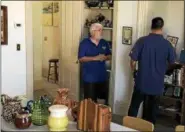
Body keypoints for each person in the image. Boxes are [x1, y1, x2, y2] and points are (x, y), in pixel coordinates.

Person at [128, 17, 175, 124]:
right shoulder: (167, 44)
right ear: (162, 27)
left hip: (141, 82)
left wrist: (133, 72)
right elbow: (172, 62)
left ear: (151, 26)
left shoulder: (142, 41)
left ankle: (128, 127)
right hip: (157, 84)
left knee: (134, 109)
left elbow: (133, 61)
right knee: (152, 113)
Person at [78, 23, 111, 105]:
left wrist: (105, 57)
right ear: (93, 32)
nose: (102, 32)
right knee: (90, 103)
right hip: (89, 78)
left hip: (102, 77)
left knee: (102, 102)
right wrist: (95, 58)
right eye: (99, 30)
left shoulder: (104, 42)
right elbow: (81, 59)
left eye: (102, 30)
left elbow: (109, 55)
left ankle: (101, 117)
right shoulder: (84, 43)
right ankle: (90, 117)